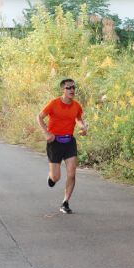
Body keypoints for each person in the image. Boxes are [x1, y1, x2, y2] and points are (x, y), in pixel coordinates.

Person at [37, 78, 87, 214]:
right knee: (56, 177)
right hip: (54, 143)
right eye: (69, 87)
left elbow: (79, 118)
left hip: (69, 142)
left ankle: (65, 203)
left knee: (72, 174)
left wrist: (83, 127)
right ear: (62, 90)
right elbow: (39, 117)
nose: (72, 90)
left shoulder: (76, 105)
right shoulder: (54, 103)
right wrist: (46, 133)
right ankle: (51, 178)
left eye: (74, 88)